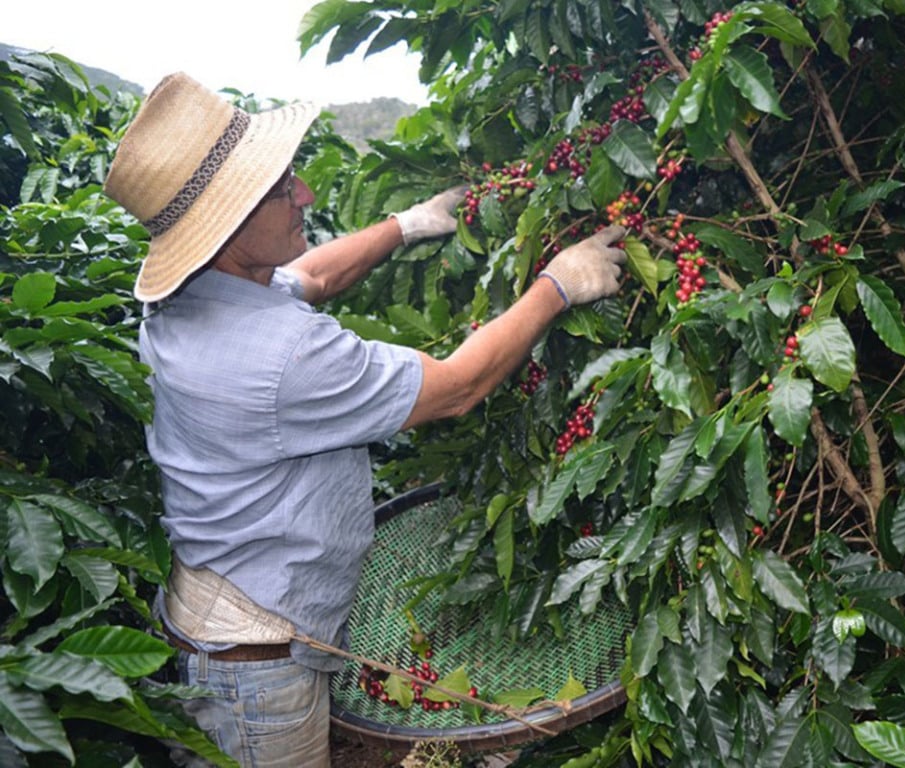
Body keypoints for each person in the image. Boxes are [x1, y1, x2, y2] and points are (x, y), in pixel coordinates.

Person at [102, 72, 627, 768]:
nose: (306, 195)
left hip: (218, 613)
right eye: (284, 188)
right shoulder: (287, 356)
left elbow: (308, 278)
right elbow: (460, 386)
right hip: (256, 667)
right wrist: (556, 286)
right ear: (226, 227)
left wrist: (405, 226)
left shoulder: (196, 299)